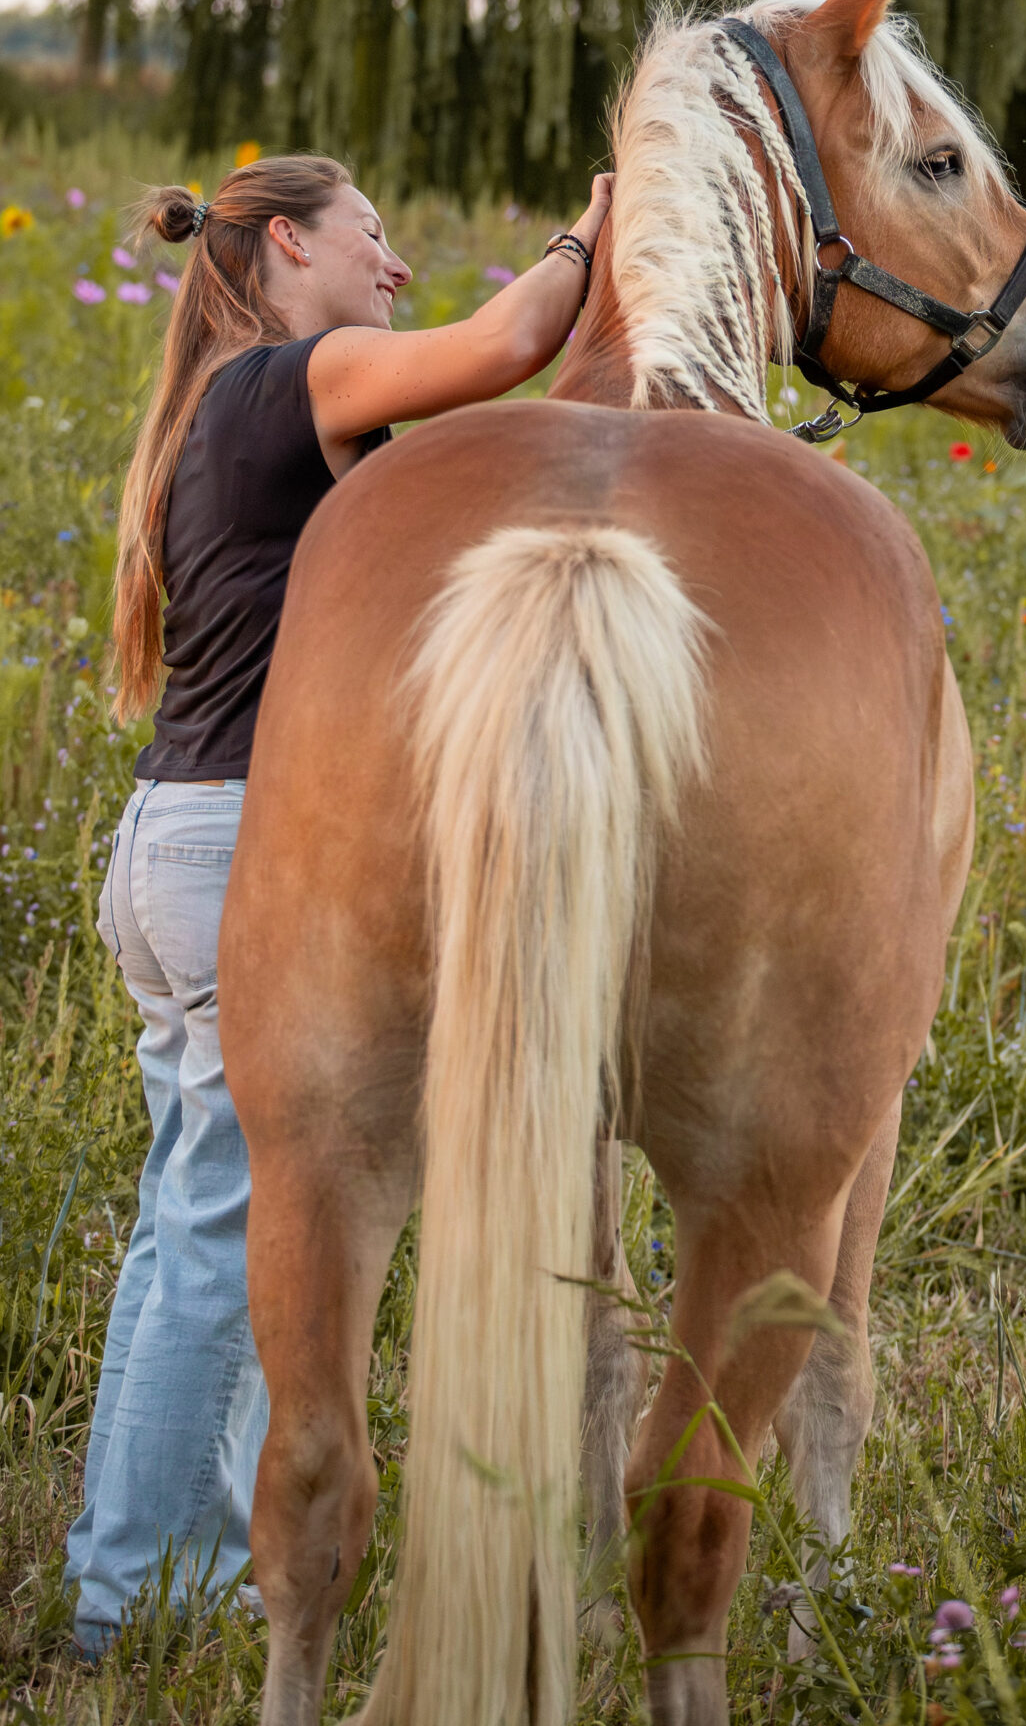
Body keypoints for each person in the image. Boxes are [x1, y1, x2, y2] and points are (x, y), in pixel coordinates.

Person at [66, 151, 612, 1652]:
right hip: (238, 845)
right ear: (291, 243)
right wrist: (599, 223)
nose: (394, 268)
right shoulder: (288, 384)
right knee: (220, 1230)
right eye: (376, 237)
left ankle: (163, 1566)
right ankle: (129, 1601)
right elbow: (505, 350)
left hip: (183, 839)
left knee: (200, 1226)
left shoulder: (223, 409)